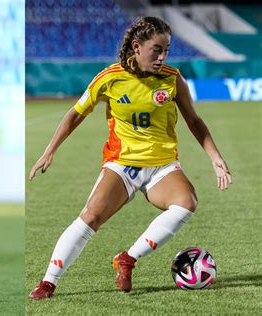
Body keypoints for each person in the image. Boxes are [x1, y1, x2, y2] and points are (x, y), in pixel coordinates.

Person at [28, 16, 232, 300]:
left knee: (186, 203)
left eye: (166, 50)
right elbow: (75, 113)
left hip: (162, 165)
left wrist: (215, 157)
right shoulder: (109, 78)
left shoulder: (172, 79)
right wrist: (49, 151)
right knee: (90, 218)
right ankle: (48, 282)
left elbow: (195, 121)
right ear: (136, 47)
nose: (162, 57)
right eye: (156, 50)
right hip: (122, 164)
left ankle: (128, 258)